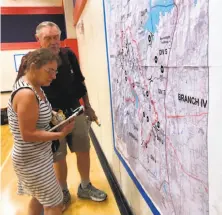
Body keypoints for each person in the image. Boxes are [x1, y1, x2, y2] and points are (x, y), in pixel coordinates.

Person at [34, 21, 107, 210]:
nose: (53, 41)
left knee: (83, 148)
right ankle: (63, 191)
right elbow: (28, 90)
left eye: (55, 37)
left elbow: (80, 83)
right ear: (38, 40)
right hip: (50, 119)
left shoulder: (69, 55)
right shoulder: (32, 62)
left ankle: (85, 186)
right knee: (59, 156)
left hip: (76, 111)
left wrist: (88, 106)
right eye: (47, 38)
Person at [7, 48, 75, 215]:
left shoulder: (36, 87)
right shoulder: (26, 94)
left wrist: (58, 121)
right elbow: (28, 134)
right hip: (31, 160)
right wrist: (60, 134)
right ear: (34, 66)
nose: (54, 76)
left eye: (55, 71)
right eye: (49, 71)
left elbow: (40, 116)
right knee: (55, 203)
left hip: (38, 156)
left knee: (39, 198)